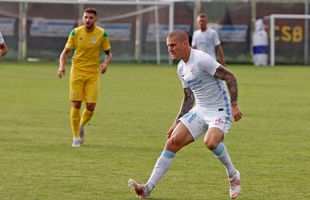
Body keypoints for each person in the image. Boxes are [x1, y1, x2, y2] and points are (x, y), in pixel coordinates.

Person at [128, 30, 243, 199]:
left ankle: (233, 175)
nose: (170, 49)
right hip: (200, 109)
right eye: (168, 46)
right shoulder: (181, 68)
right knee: (172, 141)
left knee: (210, 142)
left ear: (184, 44)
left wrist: (234, 105)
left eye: (173, 45)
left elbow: (231, 77)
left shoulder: (202, 60)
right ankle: (147, 189)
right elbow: (189, 97)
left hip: (219, 109)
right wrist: (176, 122)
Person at [57, 7, 112, 147]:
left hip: (93, 74)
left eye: (91, 18)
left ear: (96, 19)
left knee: (91, 106)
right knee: (76, 103)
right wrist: (61, 67)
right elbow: (65, 53)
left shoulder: (102, 34)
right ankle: (75, 137)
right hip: (77, 72)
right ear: (82, 18)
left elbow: (108, 53)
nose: (88, 20)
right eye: (85, 17)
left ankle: (81, 125)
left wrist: (105, 64)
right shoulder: (75, 32)